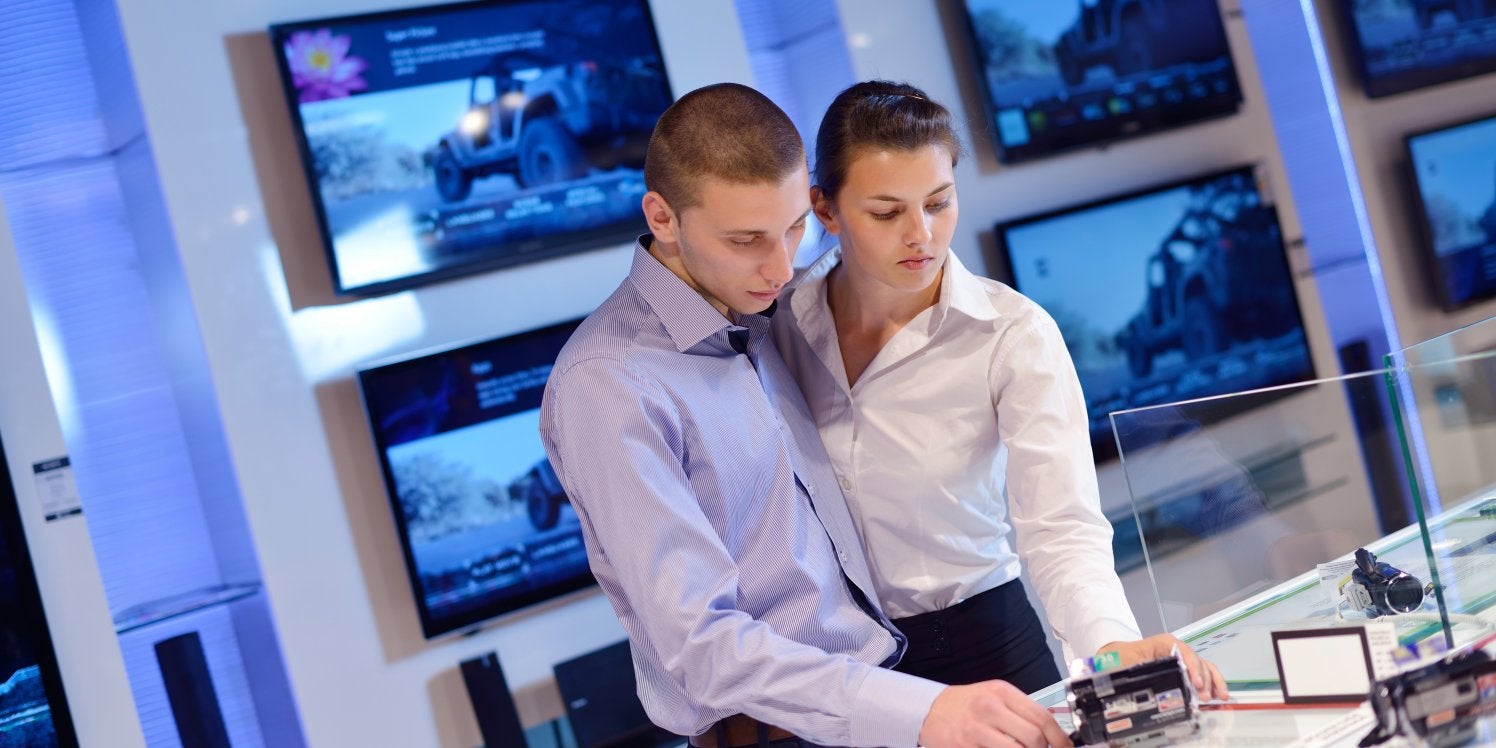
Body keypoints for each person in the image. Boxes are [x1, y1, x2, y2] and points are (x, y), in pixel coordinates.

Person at [540, 82, 1073, 748]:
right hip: (784, 732)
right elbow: (702, 648)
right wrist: (919, 712)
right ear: (663, 217)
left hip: (891, 688)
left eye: (793, 228)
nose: (780, 265)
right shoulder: (608, 383)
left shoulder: (760, 312)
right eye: (746, 239)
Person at [772, 80, 1229, 699]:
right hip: (841, 675)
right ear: (824, 210)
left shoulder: (1012, 333)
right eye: (887, 212)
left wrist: (1110, 644)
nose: (922, 235)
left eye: (939, 202)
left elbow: (1061, 525)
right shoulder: (776, 322)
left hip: (984, 649)